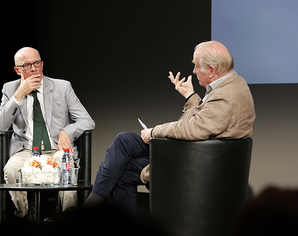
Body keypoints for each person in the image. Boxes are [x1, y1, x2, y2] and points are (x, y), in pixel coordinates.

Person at [83, 41, 256, 216]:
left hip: (192, 163)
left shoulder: (224, 95)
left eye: (196, 66)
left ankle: (94, 203)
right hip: (195, 154)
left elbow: (194, 129)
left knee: (123, 168)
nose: (194, 71)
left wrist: (154, 132)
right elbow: (206, 119)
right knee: (125, 140)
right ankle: (97, 202)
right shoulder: (233, 84)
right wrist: (189, 95)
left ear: (211, 71)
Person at [0, 47, 95, 218]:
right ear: (17, 70)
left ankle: (68, 219)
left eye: (37, 63)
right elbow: (0, 126)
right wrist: (19, 95)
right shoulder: (10, 89)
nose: (34, 69)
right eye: (27, 65)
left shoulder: (62, 87)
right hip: (26, 150)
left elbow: (87, 121)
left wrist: (66, 131)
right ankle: (23, 215)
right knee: (11, 170)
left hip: (56, 149)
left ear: (42, 64)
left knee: (66, 168)